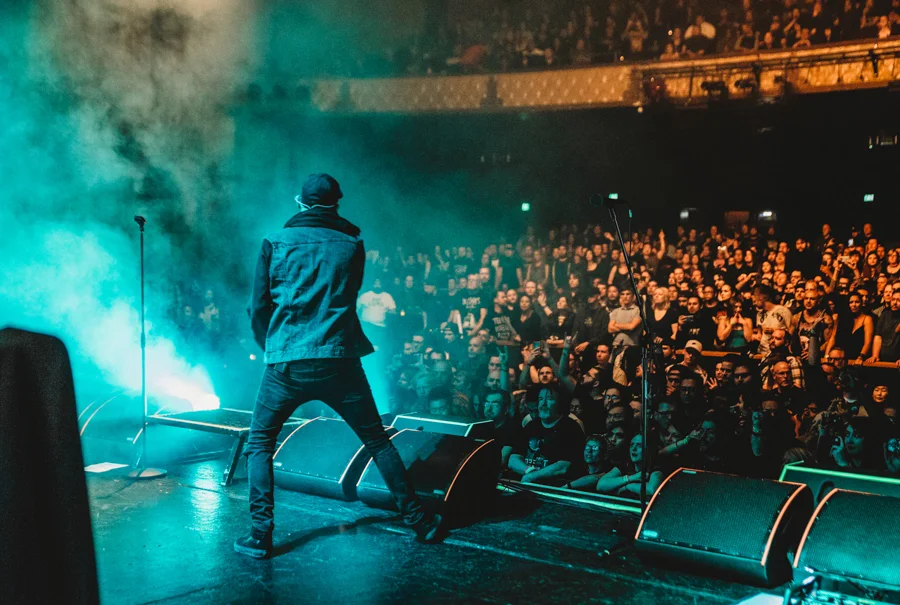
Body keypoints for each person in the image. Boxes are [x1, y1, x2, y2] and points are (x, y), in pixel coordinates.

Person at [239, 173, 443, 558]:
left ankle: (260, 536)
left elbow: (258, 308)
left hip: (287, 361)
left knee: (260, 445)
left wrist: (273, 345)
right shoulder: (353, 244)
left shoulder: (274, 242)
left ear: (299, 202)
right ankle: (419, 521)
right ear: (336, 203)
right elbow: (348, 295)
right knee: (378, 441)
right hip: (339, 359)